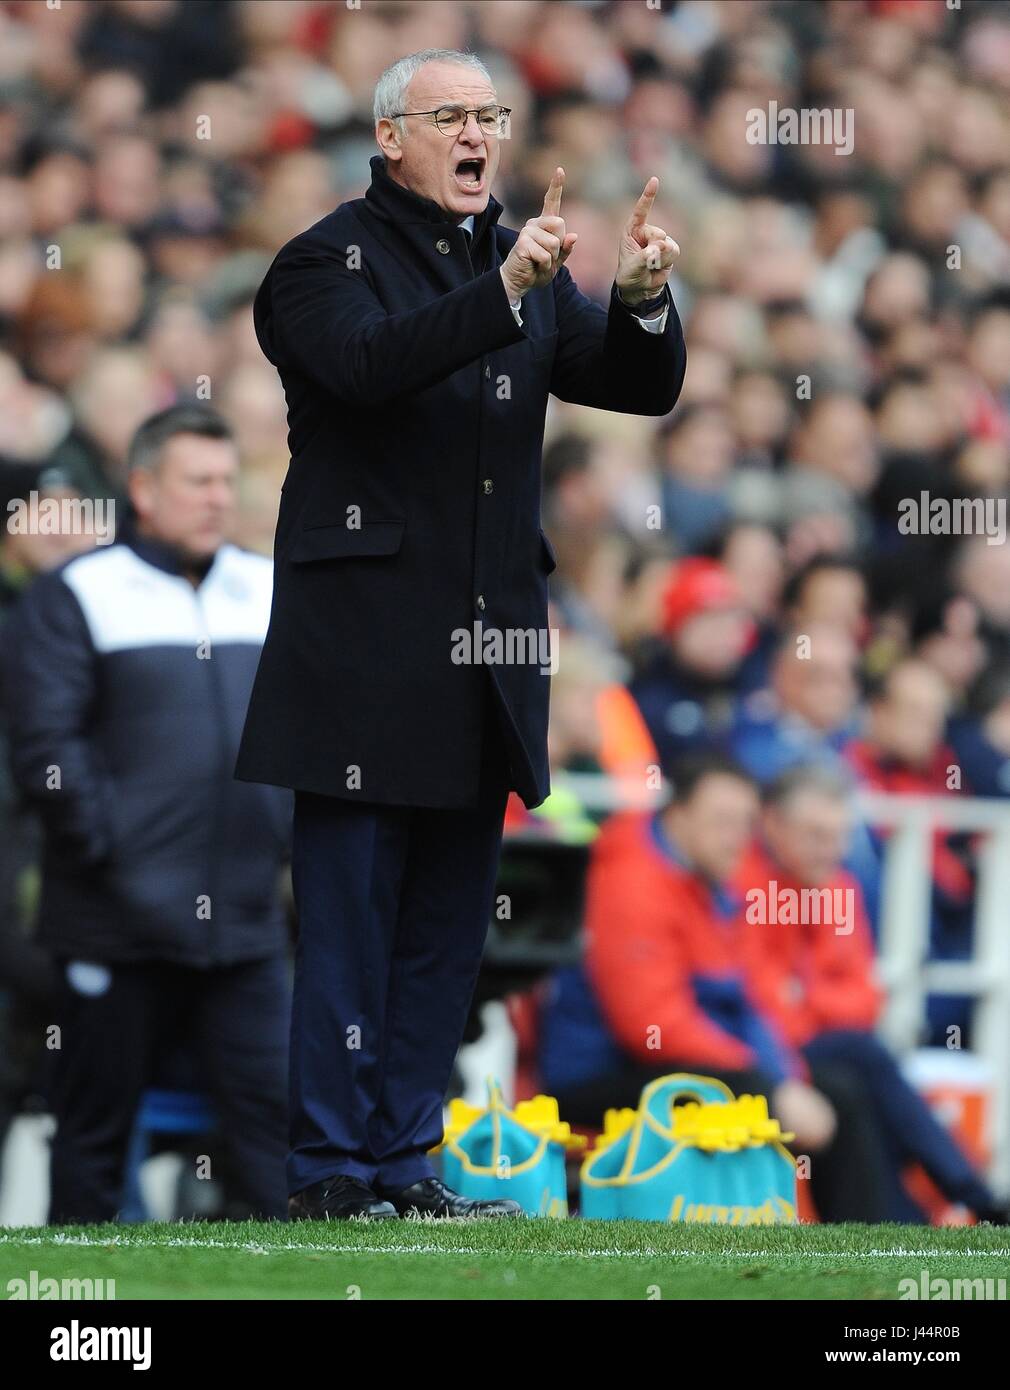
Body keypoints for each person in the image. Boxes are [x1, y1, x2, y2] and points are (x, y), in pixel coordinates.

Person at [234, 47, 687, 1221]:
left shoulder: (511, 256)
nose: (476, 131)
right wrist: (505, 294)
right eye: (450, 115)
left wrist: (637, 301)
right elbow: (369, 367)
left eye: (490, 113)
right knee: (348, 929)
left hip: (488, 658)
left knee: (444, 935)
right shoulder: (321, 259)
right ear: (390, 138)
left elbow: (627, 386)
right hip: (362, 654)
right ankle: (332, 1172)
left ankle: (404, 1166)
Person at [1, 405, 292, 1224]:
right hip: (112, 924)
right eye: (196, 481)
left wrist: (284, 847)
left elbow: (312, 730)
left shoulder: (266, 586)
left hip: (245, 921)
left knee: (273, 1129)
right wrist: (109, 854)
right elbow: (46, 748)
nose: (215, 499)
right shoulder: (75, 594)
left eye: (226, 481)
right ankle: (80, 1316)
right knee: (95, 1136)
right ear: (142, 488)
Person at [538, 755, 893, 1222]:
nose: (737, 838)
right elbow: (652, 1028)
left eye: (745, 823)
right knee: (814, 1090)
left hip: (674, 1066)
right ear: (678, 815)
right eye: (722, 821)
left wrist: (783, 1076)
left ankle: (874, 1239)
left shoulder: (712, 884)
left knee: (836, 1086)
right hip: (596, 1079)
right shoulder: (632, 882)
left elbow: (748, 1002)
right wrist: (765, 1082)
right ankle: (868, 1240)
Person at [738, 764, 1006, 1224]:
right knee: (864, 1061)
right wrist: (816, 1002)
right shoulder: (745, 887)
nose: (832, 850)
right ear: (773, 825)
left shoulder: (839, 888)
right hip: (767, 1055)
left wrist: (805, 996)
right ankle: (972, 1197)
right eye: (817, 835)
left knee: (858, 1078)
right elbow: (765, 1011)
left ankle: (917, 1223)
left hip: (831, 1051)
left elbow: (865, 1000)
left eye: (841, 836)